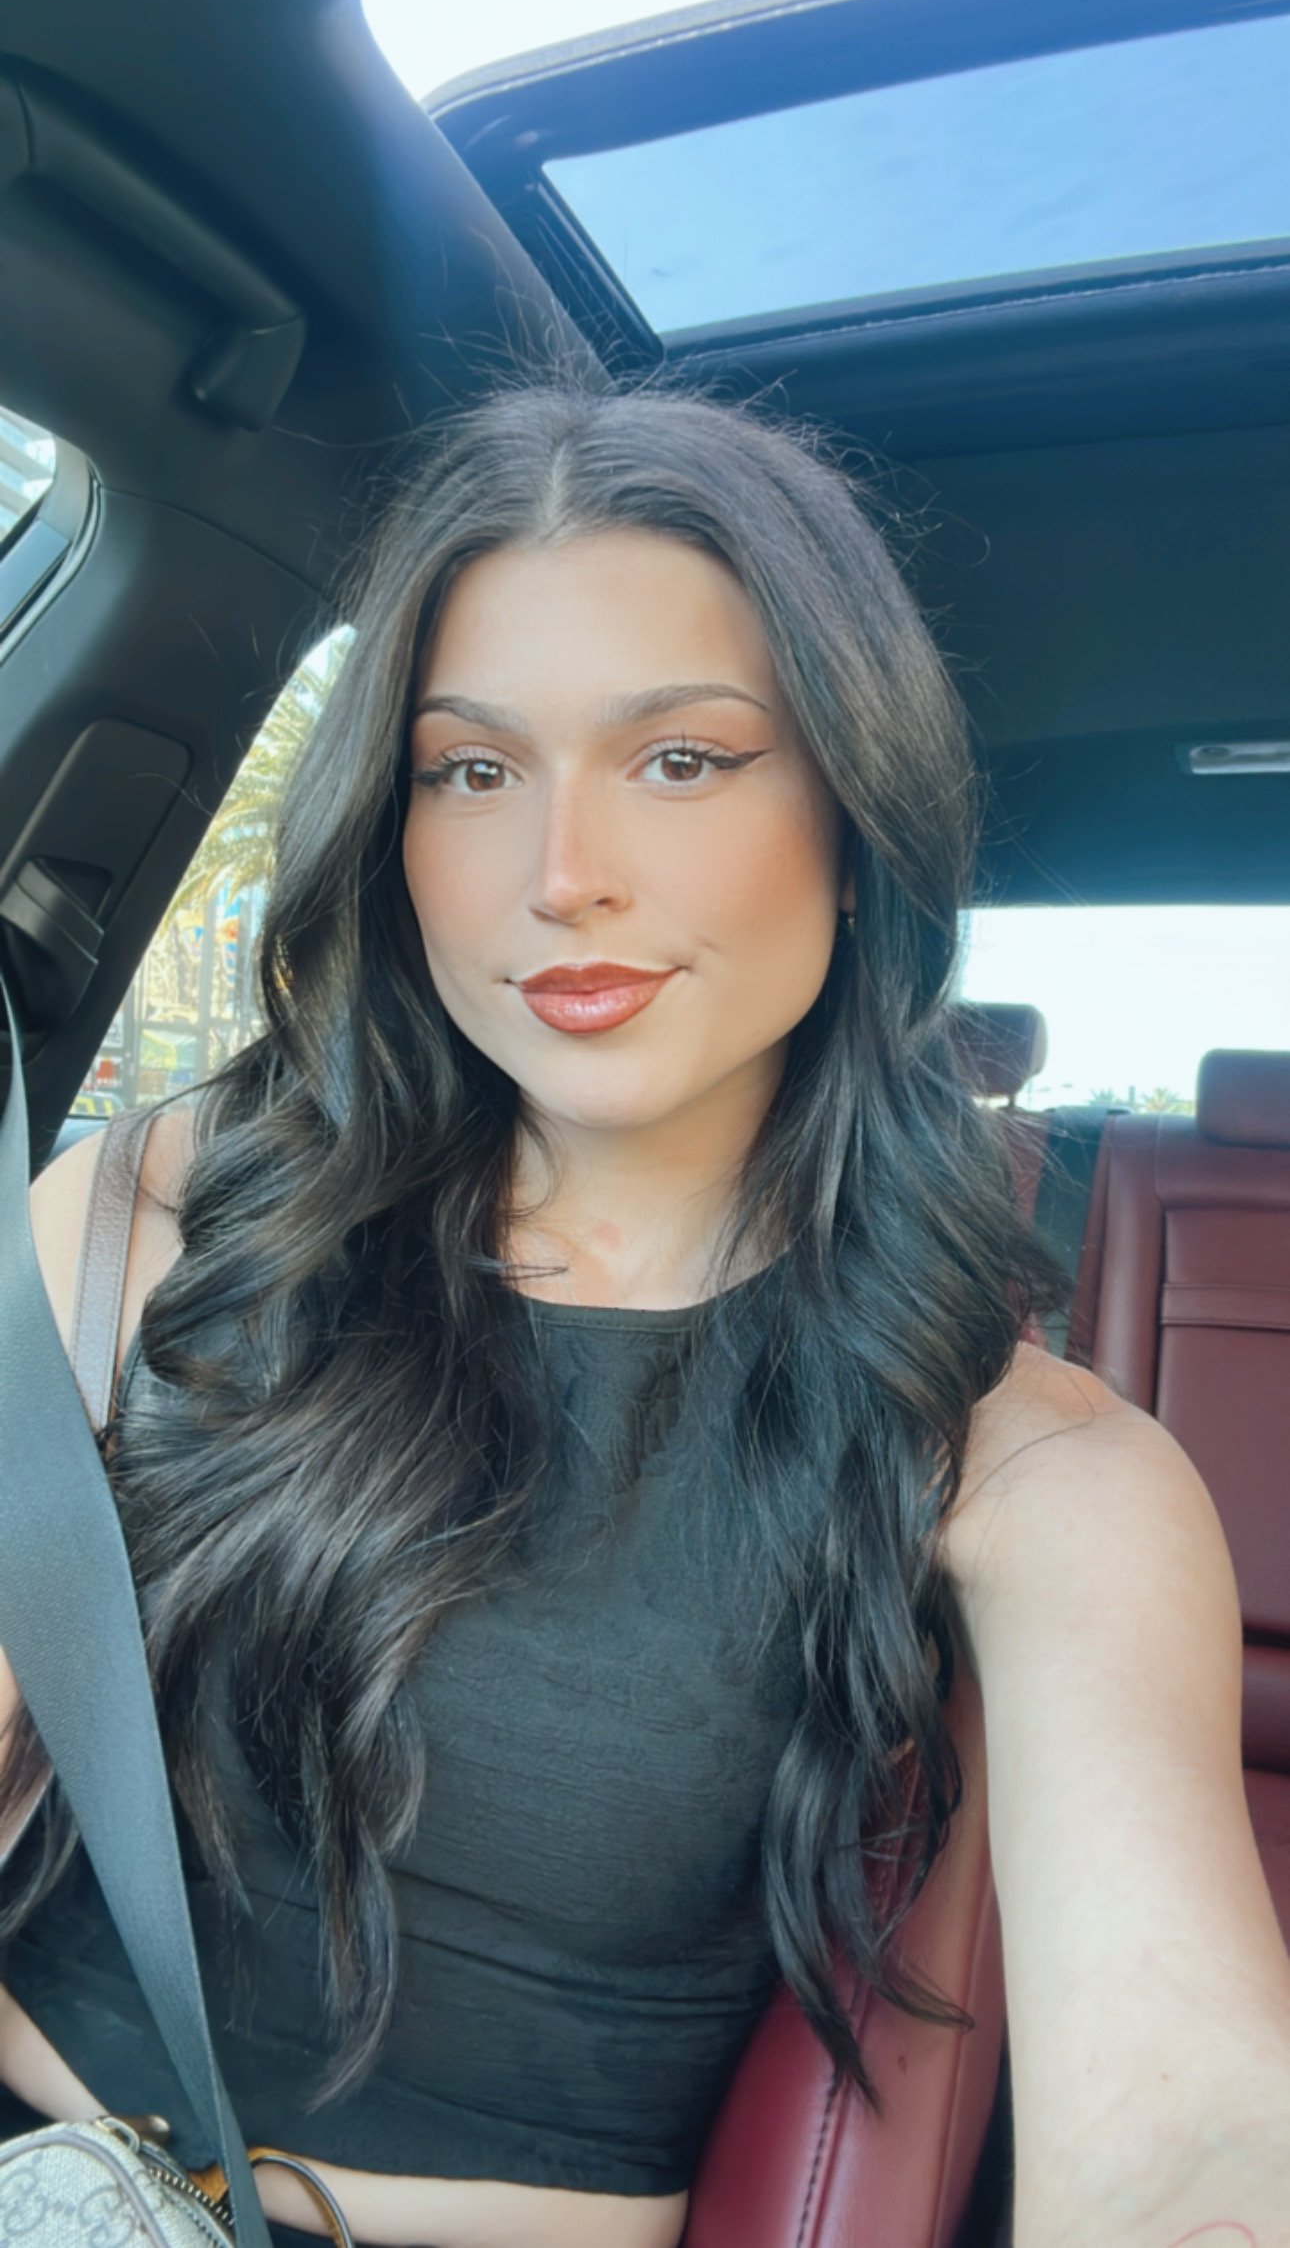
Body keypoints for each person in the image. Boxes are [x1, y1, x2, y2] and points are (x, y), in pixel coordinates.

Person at [8, 379, 1290, 2248]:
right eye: (471, 768)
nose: (558, 875)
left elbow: (1190, 2147)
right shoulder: (162, 1205)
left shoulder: (1036, 1465)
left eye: (679, 759)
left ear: (854, 811)